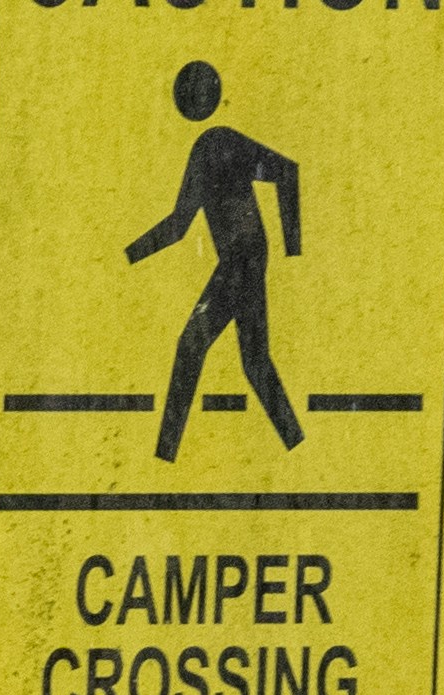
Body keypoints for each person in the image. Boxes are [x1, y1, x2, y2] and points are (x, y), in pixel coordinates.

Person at [129, 61, 303, 463]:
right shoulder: (202, 150)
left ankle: (163, 455)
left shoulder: (221, 140)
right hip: (243, 259)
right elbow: (178, 226)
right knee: (256, 362)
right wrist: (128, 255)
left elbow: (287, 171)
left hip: (243, 259)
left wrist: (293, 245)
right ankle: (297, 443)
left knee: (191, 346)